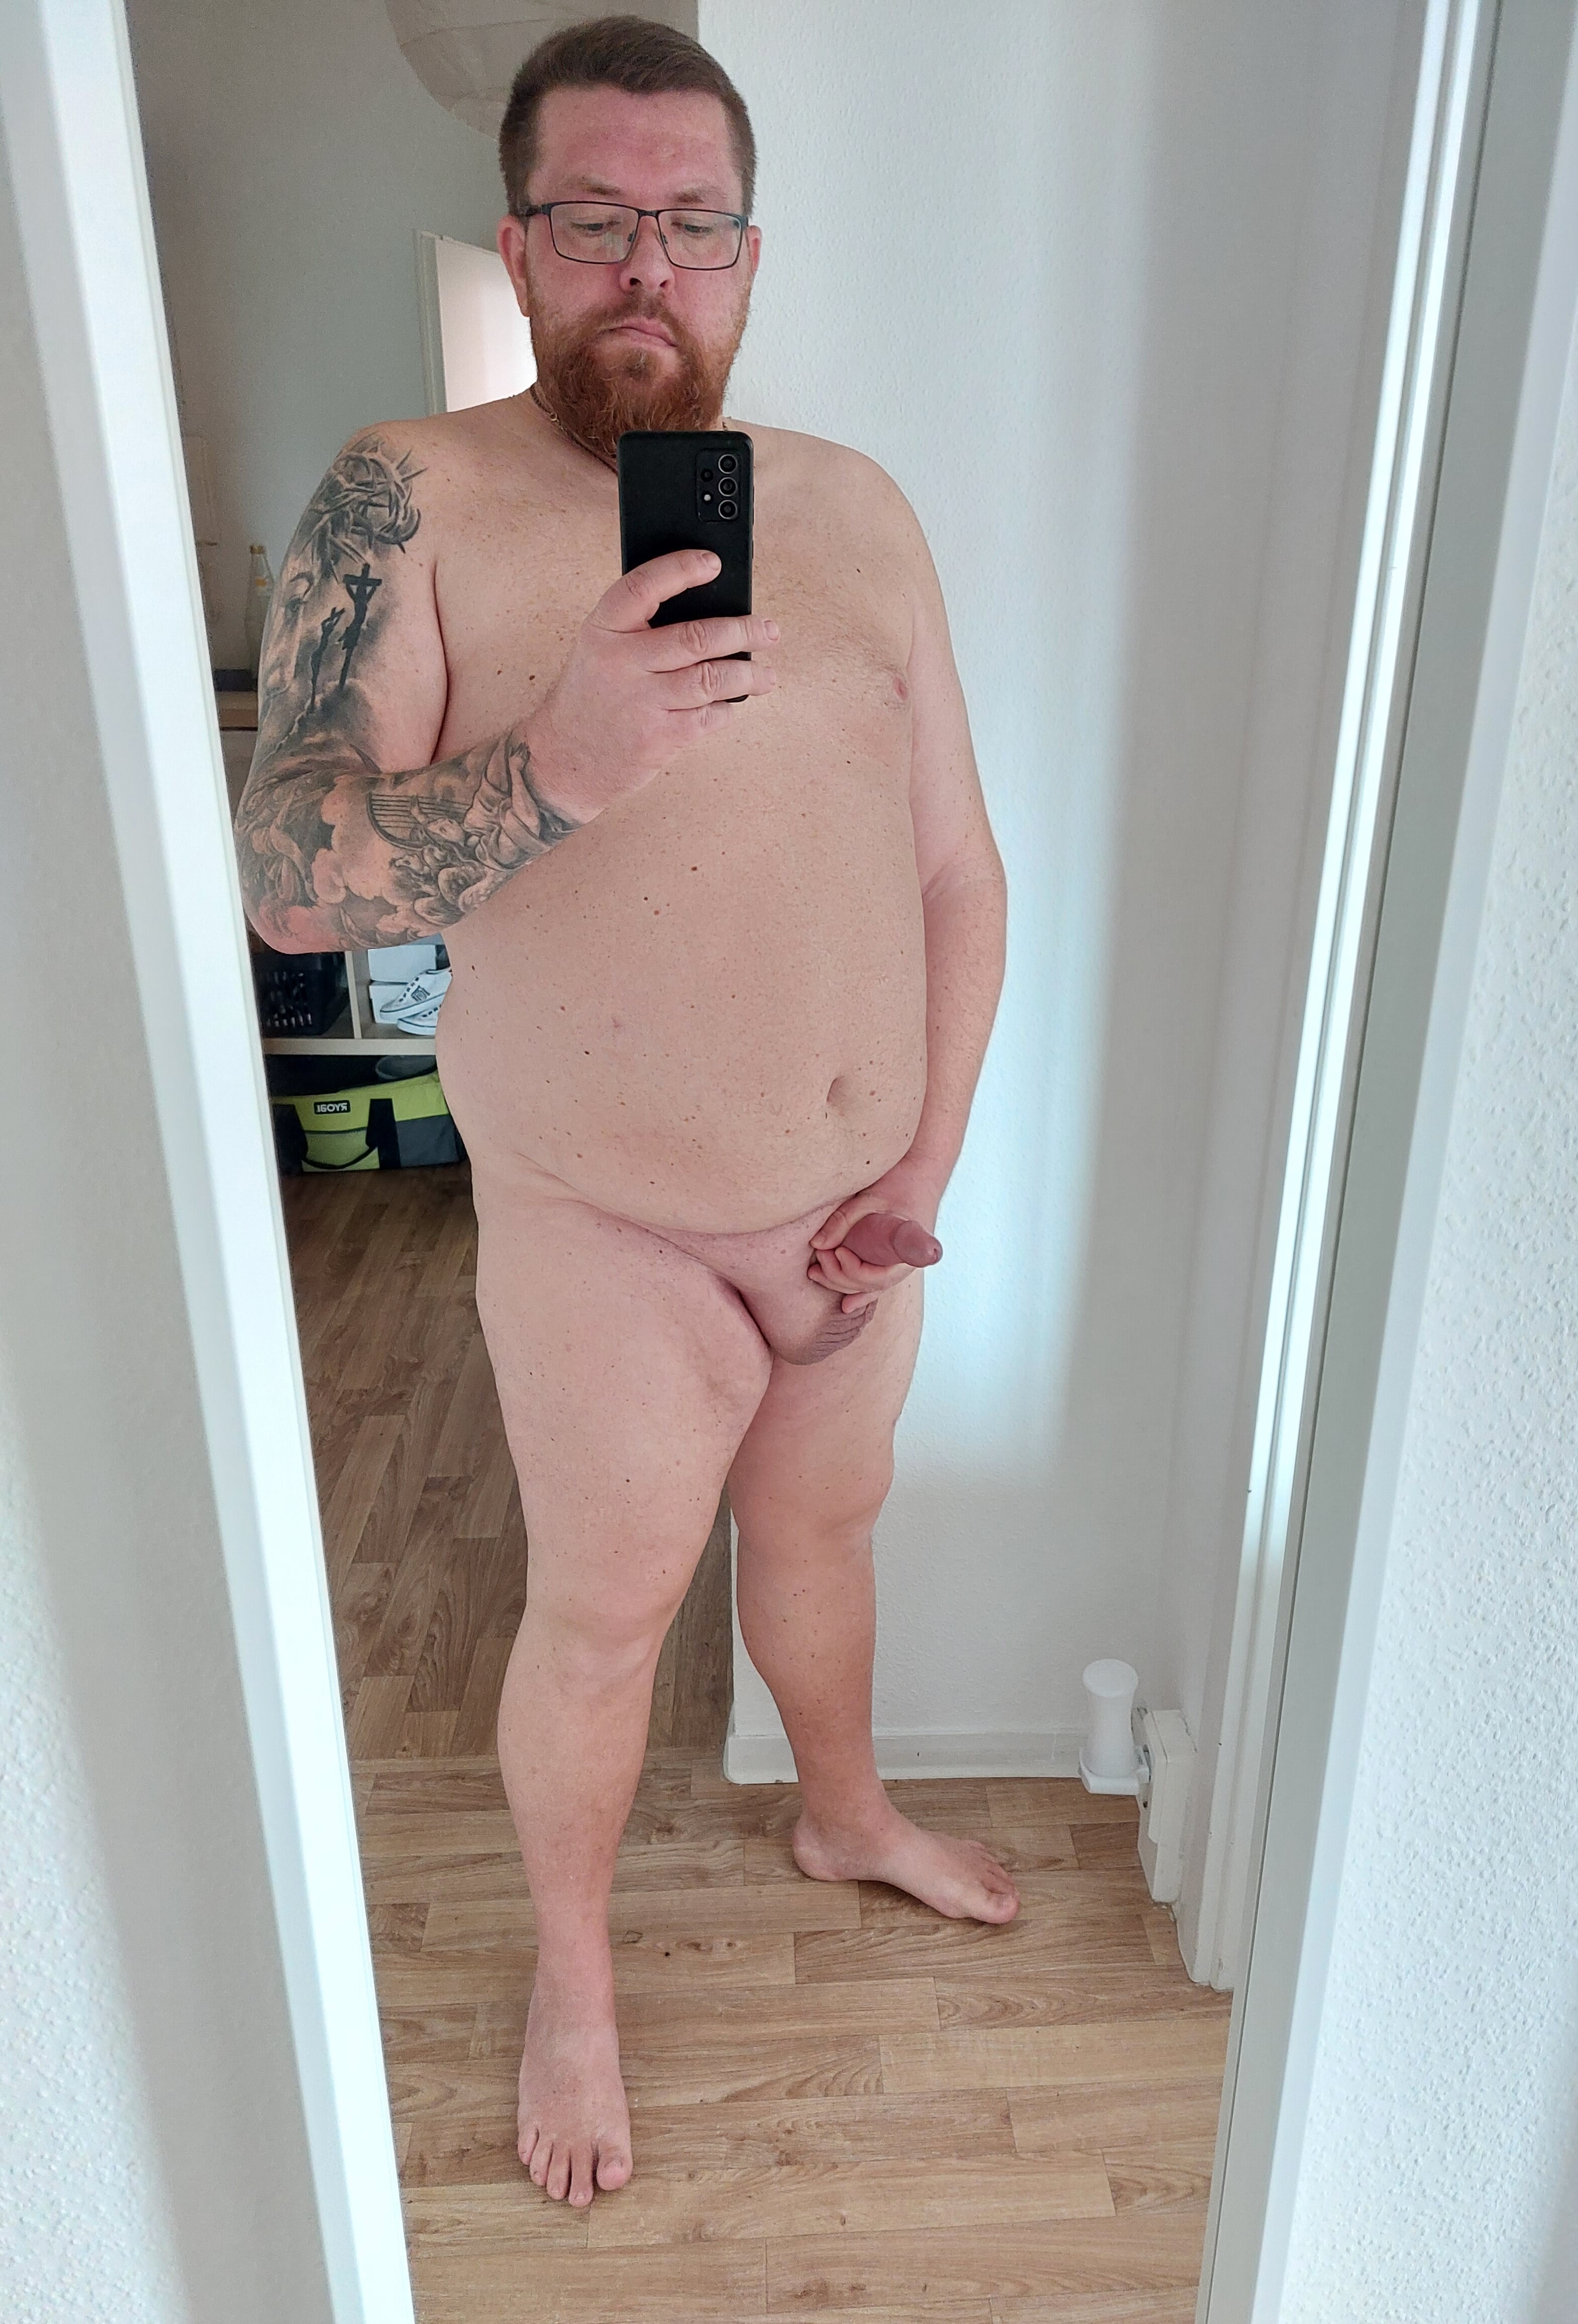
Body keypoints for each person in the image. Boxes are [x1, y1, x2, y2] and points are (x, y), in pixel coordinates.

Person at [234, 14, 1013, 2212]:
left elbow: (959, 870)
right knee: (601, 1615)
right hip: (611, 1225)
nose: (646, 269)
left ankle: (843, 1811)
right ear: (519, 245)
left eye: (693, 225)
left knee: (827, 1542)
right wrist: (557, 762)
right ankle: (570, 1982)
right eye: (594, 222)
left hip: (857, 1207)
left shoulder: (853, 508)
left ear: (751, 252)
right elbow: (290, 874)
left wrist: (924, 1162)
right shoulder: (408, 493)